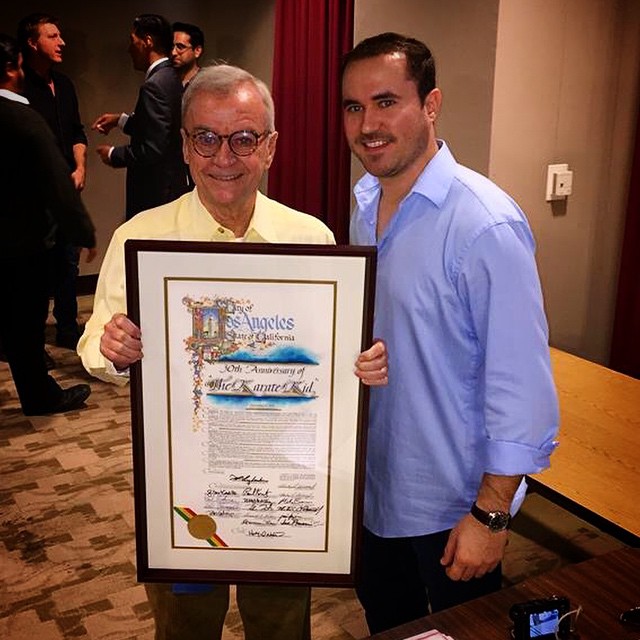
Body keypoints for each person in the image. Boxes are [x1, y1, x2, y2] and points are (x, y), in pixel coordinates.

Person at [78, 63, 387, 639]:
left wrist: (361, 367)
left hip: (285, 489)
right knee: (186, 627)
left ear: (270, 147)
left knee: (279, 625)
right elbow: (95, 344)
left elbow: (335, 364)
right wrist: (114, 347)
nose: (226, 156)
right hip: (185, 486)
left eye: (244, 138)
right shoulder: (142, 239)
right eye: (207, 138)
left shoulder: (312, 240)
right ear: (186, 148)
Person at [341, 32, 559, 634]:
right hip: (374, 489)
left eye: (387, 102)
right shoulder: (363, 203)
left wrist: (490, 516)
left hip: (450, 507)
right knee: (389, 623)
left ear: (431, 105)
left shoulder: (484, 225)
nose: (368, 124)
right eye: (354, 107)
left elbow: (522, 389)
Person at [0, 33, 95, 416]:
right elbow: (57, 183)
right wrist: (83, 232)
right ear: (12, 68)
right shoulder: (23, 119)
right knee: (25, 325)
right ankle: (40, 396)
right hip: (21, 244)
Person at [17, 13, 95, 351]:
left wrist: (80, 167)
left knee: (68, 260)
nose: (61, 42)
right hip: (33, 197)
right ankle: (27, 339)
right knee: (34, 269)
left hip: (67, 191)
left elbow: (77, 132)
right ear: (33, 43)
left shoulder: (64, 85)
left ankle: (67, 327)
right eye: (52, 36)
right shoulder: (19, 88)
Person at [92, 14, 190, 220]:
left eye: (132, 41)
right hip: (170, 187)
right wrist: (120, 120)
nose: (129, 49)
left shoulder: (154, 85)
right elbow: (159, 126)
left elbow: (153, 148)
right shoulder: (171, 77)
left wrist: (113, 154)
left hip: (156, 193)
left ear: (147, 41)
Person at [172, 21, 204, 88]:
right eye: (171, 47)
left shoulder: (206, 81)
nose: (173, 53)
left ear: (197, 51)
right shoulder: (166, 80)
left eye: (180, 47)